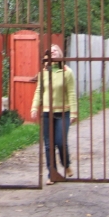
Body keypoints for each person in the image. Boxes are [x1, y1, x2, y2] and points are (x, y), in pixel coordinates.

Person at [30, 44, 78, 185]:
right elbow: (39, 91)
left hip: (63, 113)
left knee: (61, 142)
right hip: (47, 113)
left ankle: (66, 164)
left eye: (55, 50)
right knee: (49, 145)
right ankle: (52, 174)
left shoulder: (67, 72)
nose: (53, 52)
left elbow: (71, 93)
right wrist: (34, 107)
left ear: (60, 53)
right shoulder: (44, 72)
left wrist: (74, 112)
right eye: (51, 51)